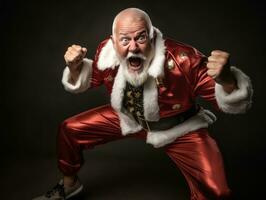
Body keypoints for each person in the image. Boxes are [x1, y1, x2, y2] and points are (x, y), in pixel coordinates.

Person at [33, 8, 252, 200]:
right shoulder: (107, 51)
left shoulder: (183, 60)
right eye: (125, 40)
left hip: (178, 129)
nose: (133, 48)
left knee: (217, 191)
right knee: (70, 129)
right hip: (128, 118)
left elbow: (232, 101)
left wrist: (226, 80)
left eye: (141, 38)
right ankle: (69, 186)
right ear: (114, 41)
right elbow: (93, 77)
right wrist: (74, 68)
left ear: (152, 36)